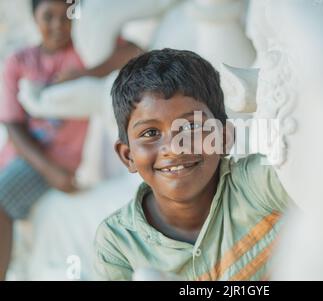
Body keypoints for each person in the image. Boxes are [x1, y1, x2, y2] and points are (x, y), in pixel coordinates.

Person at [94, 49, 293, 281]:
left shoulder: (260, 184)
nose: (175, 148)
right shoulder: (118, 243)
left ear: (225, 137)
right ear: (128, 156)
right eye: (150, 132)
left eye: (191, 127)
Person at [0, 0, 89, 280]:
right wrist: (49, 172)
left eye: (66, 17)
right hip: (27, 158)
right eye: (48, 17)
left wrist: (86, 74)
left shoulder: (83, 54)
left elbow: (131, 49)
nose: (57, 25)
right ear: (34, 17)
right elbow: (13, 125)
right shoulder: (19, 61)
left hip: (59, 159)